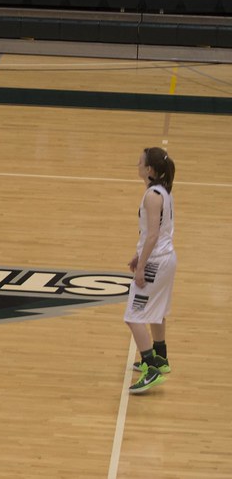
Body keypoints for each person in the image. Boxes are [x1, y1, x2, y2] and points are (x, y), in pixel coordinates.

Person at [125, 147, 177, 394]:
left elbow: (154, 234)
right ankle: (161, 357)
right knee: (157, 312)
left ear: (149, 170)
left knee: (134, 316)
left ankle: (150, 368)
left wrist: (142, 265)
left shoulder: (151, 196)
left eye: (140, 162)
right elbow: (154, 231)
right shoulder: (163, 191)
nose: (136, 164)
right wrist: (138, 254)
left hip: (156, 262)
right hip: (166, 258)